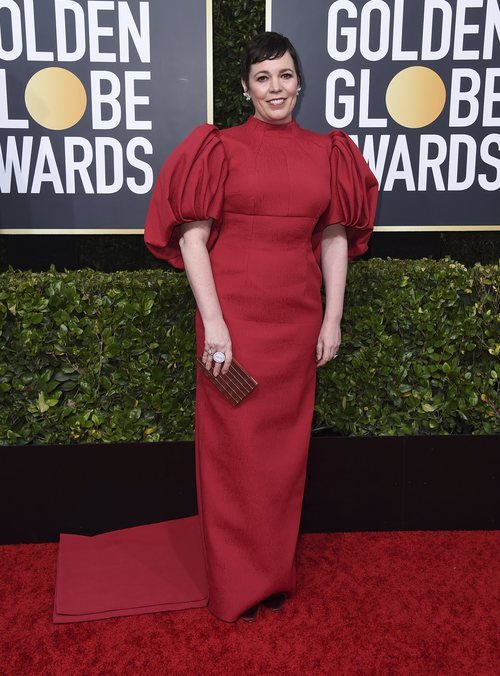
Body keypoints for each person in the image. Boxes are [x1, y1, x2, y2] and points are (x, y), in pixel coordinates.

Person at [144, 31, 378, 623]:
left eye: (285, 75)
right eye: (263, 78)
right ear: (246, 89)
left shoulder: (329, 152)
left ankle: (271, 575)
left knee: (282, 459)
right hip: (234, 329)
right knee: (235, 456)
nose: (276, 88)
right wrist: (214, 325)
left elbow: (334, 239)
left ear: (300, 82)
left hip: (295, 327)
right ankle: (235, 584)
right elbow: (192, 240)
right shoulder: (217, 148)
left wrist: (332, 318)